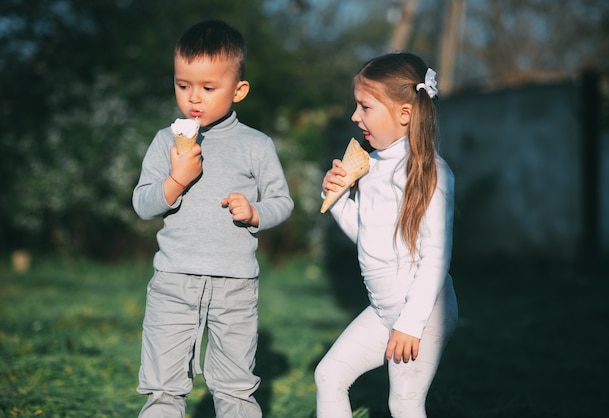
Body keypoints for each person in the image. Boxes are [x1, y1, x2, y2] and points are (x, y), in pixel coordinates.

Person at [132, 20, 293, 418]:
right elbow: (142, 203)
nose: (193, 99)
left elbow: (282, 201)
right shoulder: (164, 141)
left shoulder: (257, 145)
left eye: (208, 88)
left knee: (236, 389)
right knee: (162, 387)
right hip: (173, 281)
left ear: (238, 90)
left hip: (234, 286)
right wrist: (176, 181)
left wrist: (255, 212)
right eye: (183, 85)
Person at [315, 52, 458, 418]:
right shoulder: (373, 164)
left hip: (423, 315)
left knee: (404, 404)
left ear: (404, 114)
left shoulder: (431, 174)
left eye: (365, 107)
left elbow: (436, 258)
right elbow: (369, 238)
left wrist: (410, 325)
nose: (354, 116)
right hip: (383, 311)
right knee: (329, 375)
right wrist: (337, 197)